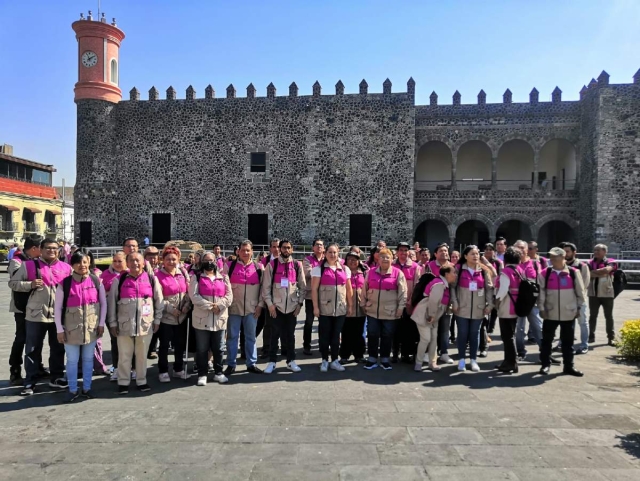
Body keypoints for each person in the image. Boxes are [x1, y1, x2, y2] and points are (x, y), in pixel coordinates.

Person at [10, 238, 72, 395]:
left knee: (58, 348)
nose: (51, 251)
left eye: (54, 248)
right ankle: (30, 381)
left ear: (59, 250)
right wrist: (29, 284)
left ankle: (56, 377)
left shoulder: (66, 268)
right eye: (48, 248)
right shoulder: (28, 265)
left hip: (57, 316)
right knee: (32, 349)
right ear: (41, 249)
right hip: (35, 315)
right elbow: (13, 283)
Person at [54, 251, 107, 401]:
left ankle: (87, 388)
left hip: (91, 329)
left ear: (89, 263)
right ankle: (72, 389)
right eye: (78, 262)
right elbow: (57, 308)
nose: (82, 265)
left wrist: (101, 323)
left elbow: (103, 304)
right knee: (72, 360)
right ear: (72, 265)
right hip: (70, 330)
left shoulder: (96, 281)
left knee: (88, 359)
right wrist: (59, 329)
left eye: (84, 262)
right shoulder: (64, 284)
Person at [108, 252, 163, 394]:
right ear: (127, 263)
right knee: (124, 355)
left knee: (141, 356)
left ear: (144, 263)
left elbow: (159, 301)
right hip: (124, 324)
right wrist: (112, 323)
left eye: (138, 260)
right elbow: (112, 304)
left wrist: (157, 320)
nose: (135, 263)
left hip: (145, 325)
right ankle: (123, 382)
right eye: (131, 260)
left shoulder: (151, 279)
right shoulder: (118, 280)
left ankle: (141, 381)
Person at [538, 247, 586, 377]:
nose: (552, 259)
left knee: (568, 341)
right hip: (550, 311)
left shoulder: (573, 272)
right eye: (551, 256)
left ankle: (569, 366)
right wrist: (541, 308)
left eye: (555, 256)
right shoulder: (544, 273)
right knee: (547, 340)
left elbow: (580, 293)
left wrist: (579, 308)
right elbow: (541, 293)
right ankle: (545, 364)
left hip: (568, 312)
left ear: (563, 257)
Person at [189, 251, 233, 385]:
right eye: (206, 260)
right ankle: (202, 374)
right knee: (202, 348)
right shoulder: (196, 277)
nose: (209, 262)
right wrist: (210, 306)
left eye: (212, 260)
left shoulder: (223, 277)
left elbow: (229, 296)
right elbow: (194, 296)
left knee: (219, 347)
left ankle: (218, 372)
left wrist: (219, 306)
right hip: (202, 318)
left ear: (216, 261)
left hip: (219, 318)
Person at [262, 240, 305, 374]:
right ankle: (272, 362)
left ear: (292, 250)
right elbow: (266, 288)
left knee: (290, 336)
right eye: (284, 248)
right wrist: (270, 305)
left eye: (288, 248)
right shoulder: (272, 265)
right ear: (279, 249)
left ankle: (291, 361)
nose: (286, 250)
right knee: (274, 335)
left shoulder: (297, 265)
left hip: (292, 308)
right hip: (276, 308)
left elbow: (303, 287)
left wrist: (299, 304)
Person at [361, 247, 407, 370]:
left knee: (387, 335)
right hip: (372, 310)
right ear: (378, 259)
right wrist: (363, 304)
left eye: (387, 257)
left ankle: (385, 359)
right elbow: (364, 289)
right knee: (372, 334)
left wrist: (400, 308)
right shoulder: (370, 272)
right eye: (382, 257)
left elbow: (403, 293)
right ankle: (372, 358)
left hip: (390, 311)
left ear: (392, 259)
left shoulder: (398, 273)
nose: (385, 259)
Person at [224, 240, 264, 375]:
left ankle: (251, 363)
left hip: (252, 309)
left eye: (248, 250)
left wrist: (260, 306)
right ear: (238, 251)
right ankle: (231, 364)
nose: (245, 253)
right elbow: (223, 288)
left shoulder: (259, 268)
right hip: (233, 309)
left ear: (252, 251)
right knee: (232, 337)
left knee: (251, 337)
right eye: (243, 250)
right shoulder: (229, 266)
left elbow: (263, 290)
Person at [452, 245, 494, 372]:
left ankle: (473, 360)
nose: (476, 256)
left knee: (474, 334)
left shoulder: (483, 270)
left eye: (477, 253)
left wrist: (490, 304)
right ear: (465, 256)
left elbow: (489, 288)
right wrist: (454, 302)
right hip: (462, 308)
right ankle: (461, 360)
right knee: (463, 334)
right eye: (472, 254)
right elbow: (452, 287)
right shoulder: (459, 269)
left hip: (478, 308)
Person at [7, 237, 43, 386]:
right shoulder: (17, 261)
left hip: (36, 306)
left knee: (37, 337)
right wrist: (30, 284)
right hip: (21, 307)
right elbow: (14, 284)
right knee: (21, 337)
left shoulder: (40, 261)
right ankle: (15, 369)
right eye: (42, 247)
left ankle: (37, 366)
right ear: (34, 248)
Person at [311, 243, 352, 372]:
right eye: (330, 252)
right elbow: (314, 289)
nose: (333, 255)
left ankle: (334, 360)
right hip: (324, 309)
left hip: (340, 309)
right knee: (324, 336)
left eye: (335, 252)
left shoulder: (345, 269)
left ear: (338, 253)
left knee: (336, 336)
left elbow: (348, 289)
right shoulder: (319, 269)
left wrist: (350, 306)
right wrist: (315, 307)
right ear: (325, 253)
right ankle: (324, 360)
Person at [411, 265, 457, 372]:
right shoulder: (439, 284)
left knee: (433, 340)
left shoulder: (443, 284)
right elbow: (433, 301)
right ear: (446, 274)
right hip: (426, 315)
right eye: (453, 272)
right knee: (426, 339)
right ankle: (419, 362)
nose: (455, 275)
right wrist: (431, 315)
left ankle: (432, 363)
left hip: (433, 316)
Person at [156, 246, 191, 382]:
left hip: (181, 317)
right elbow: (158, 298)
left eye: (174, 259)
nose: (171, 262)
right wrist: (171, 309)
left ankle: (178, 369)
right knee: (164, 345)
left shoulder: (182, 273)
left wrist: (187, 305)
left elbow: (188, 292)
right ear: (163, 260)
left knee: (180, 344)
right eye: (168, 259)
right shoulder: (158, 276)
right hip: (166, 317)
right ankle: (163, 370)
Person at [513, 239, 544, 362]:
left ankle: (545, 350)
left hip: (532, 300)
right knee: (519, 328)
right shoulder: (513, 264)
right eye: (517, 248)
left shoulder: (535, 264)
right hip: (519, 300)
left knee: (537, 326)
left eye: (522, 248)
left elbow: (540, 281)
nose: (520, 250)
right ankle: (521, 351)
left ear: (527, 250)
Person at [392, 242, 422, 364]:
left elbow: (417, 286)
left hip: (409, 304)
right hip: (394, 303)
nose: (403, 253)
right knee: (395, 329)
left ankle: (405, 354)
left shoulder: (415, 267)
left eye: (405, 250)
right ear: (397, 252)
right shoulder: (392, 265)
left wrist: (410, 301)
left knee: (408, 330)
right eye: (401, 250)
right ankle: (394, 353)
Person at [558, 242, 591, 354]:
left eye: (567, 251)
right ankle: (562, 343)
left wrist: (578, 298)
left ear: (574, 252)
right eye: (563, 251)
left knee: (582, 322)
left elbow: (585, 284)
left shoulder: (582, 266)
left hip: (578, 299)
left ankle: (584, 345)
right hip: (563, 299)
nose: (565, 254)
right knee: (564, 322)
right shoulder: (560, 266)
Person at [494, 247, 523, 373]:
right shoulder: (520, 270)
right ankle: (510, 361)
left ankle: (511, 362)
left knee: (507, 336)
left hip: (507, 305)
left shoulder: (506, 271)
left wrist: (497, 301)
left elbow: (503, 289)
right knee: (511, 334)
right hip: (517, 304)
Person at [426, 243, 454, 364]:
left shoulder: (452, 266)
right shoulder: (429, 266)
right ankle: (429, 353)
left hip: (447, 303)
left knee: (444, 329)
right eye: (441, 251)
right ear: (435, 254)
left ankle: (444, 353)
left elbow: (454, 286)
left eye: (446, 251)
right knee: (431, 329)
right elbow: (425, 282)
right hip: (433, 303)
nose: (444, 253)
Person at [101, 251, 126, 381]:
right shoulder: (105, 275)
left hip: (127, 313)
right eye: (114, 261)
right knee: (115, 340)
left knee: (128, 342)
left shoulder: (130, 273)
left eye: (120, 261)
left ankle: (130, 369)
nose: (116, 264)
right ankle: (116, 368)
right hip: (111, 312)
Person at [340, 251, 367, 363]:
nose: (352, 261)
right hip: (346, 306)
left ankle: (359, 355)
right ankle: (344, 355)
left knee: (360, 333)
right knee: (346, 332)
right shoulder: (342, 272)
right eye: (350, 259)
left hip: (361, 308)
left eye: (355, 259)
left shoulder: (364, 272)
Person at [587, 244, 617, 346]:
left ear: (605, 252)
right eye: (595, 250)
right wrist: (602, 272)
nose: (596, 252)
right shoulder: (590, 262)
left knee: (609, 316)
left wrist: (594, 272)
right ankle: (591, 336)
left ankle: (611, 338)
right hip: (593, 294)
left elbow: (607, 270)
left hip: (607, 293)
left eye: (598, 250)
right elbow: (587, 273)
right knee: (592, 316)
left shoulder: (611, 261)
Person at [256, 238, 280, 358]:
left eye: (278, 247)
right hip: (268, 297)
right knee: (268, 324)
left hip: (282, 298)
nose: (276, 249)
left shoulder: (287, 262)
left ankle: (282, 348)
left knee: (283, 325)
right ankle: (267, 348)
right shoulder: (264, 262)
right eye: (274, 247)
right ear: (270, 248)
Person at [303, 239, 325, 355]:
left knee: (323, 323)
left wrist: (316, 272)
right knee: (309, 322)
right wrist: (323, 272)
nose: (319, 247)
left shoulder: (326, 259)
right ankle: (306, 346)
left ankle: (323, 345)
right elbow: (307, 273)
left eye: (321, 245)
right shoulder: (307, 259)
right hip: (310, 296)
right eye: (317, 245)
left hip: (324, 296)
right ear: (313, 248)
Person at [483, 243, 503, 335]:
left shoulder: (498, 262)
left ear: (494, 251)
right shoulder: (480, 261)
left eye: (490, 249)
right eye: (486, 249)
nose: (488, 251)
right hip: (482, 287)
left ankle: (490, 328)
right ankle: (484, 327)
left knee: (494, 308)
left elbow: (500, 275)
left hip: (494, 288)